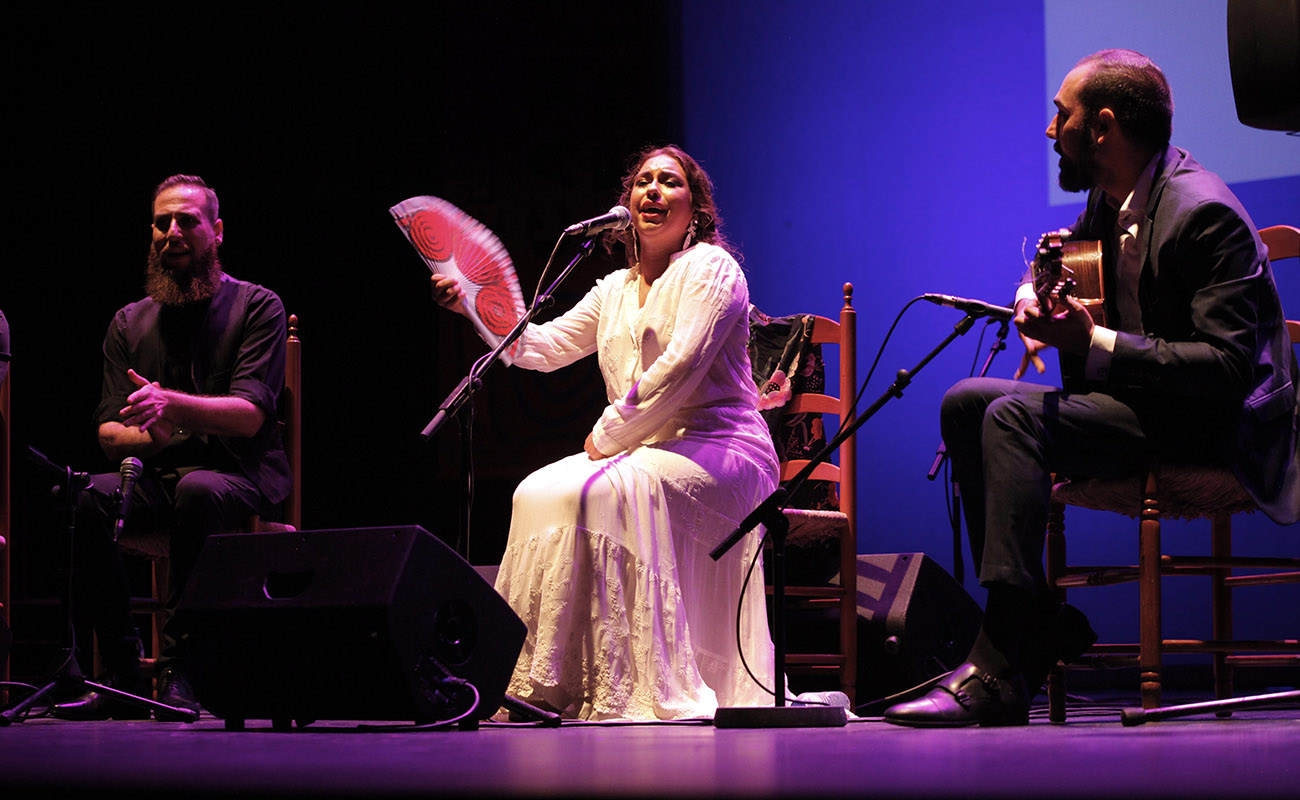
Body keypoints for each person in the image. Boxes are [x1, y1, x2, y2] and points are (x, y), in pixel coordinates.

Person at [885, 49, 1300, 727]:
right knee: (967, 401)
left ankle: (1002, 654)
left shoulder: (1203, 213)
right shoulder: (1115, 198)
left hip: (1218, 425)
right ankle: (1040, 618)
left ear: (1102, 127)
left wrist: (1094, 343)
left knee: (1014, 418)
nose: (1052, 131)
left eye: (1062, 114)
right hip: (1148, 407)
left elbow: (1227, 371)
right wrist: (1034, 296)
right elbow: (1066, 263)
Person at [431, 145, 782, 720]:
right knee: (536, 490)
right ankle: (541, 680)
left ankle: (632, 680)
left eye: (670, 182)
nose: (653, 190)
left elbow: (681, 368)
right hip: (644, 446)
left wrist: (609, 434)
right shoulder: (613, 289)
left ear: (694, 209)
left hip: (722, 449)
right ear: (625, 206)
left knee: (603, 489)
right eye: (643, 181)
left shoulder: (712, 270)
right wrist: (472, 305)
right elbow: (537, 347)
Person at [54, 175, 290, 721]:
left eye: (187, 220)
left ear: (217, 231)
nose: (172, 232)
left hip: (236, 476)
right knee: (85, 497)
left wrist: (171, 406)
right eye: (162, 222)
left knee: (198, 490)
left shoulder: (258, 306)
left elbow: (251, 416)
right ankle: (120, 673)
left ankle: (181, 667)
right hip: (155, 476)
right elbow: (108, 432)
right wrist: (147, 435)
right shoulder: (128, 322)